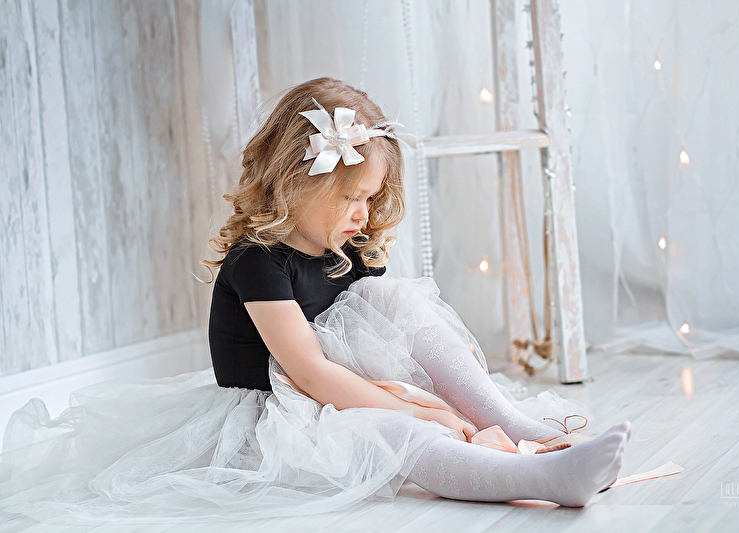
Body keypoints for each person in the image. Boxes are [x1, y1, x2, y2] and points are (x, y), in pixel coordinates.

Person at [0, 78, 629, 522]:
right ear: (297, 182)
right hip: (280, 418)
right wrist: (418, 414)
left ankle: (516, 426)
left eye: (370, 197)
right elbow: (309, 374)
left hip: (339, 391)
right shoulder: (257, 261)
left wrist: (424, 395)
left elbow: (372, 346)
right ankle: (538, 479)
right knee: (391, 434)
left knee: (397, 304)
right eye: (350, 197)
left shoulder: (347, 251)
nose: (363, 214)